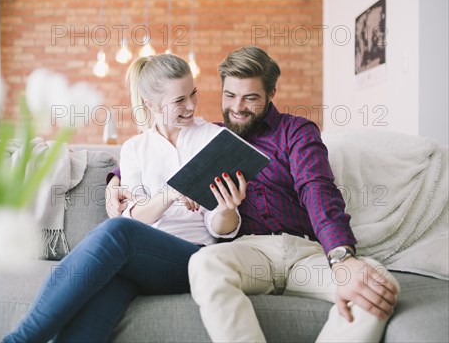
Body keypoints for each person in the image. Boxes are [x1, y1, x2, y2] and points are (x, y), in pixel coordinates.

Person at [106, 46, 400, 342]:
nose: (238, 108)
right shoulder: (214, 138)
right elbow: (156, 155)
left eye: (251, 98)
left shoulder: (295, 132)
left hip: (305, 252)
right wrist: (114, 180)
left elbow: (317, 189)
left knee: (377, 282)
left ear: (271, 93)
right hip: (249, 251)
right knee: (204, 263)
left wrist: (341, 257)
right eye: (230, 96)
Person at [3, 54, 246, 343]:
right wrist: (169, 194)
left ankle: (19, 340)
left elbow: (219, 228)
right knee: (97, 302)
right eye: (179, 100)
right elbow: (135, 215)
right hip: (139, 263)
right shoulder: (135, 149)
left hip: (191, 259)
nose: (191, 105)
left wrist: (227, 208)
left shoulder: (213, 139)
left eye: (193, 93)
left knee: (118, 232)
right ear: (151, 105)